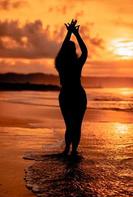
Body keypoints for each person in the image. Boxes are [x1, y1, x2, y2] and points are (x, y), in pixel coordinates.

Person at [55, 19, 88, 156]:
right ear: (74, 51)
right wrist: (76, 34)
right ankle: (73, 151)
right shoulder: (77, 63)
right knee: (77, 125)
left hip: (66, 95)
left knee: (69, 125)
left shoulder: (60, 63)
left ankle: (67, 149)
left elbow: (63, 50)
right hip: (78, 95)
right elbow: (85, 51)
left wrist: (69, 33)